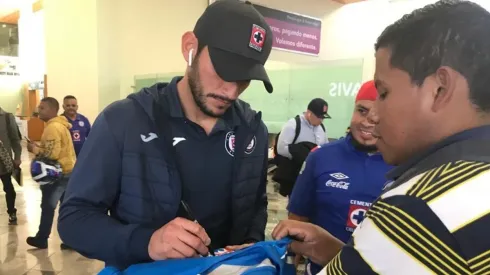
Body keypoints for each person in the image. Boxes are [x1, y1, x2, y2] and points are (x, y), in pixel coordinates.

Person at [272, 1, 490, 274]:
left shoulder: (418, 207)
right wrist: (342, 254)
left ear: (439, 89)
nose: (375, 117)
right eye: (364, 108)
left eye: (384, 93)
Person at [58, 0, 273, 270]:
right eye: (224, 70)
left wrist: (250, 244)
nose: (231, 91)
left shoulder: (252, 131)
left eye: (244, 79)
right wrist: (147, 241)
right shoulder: (124, 121)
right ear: (189, 47)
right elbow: (73, 218)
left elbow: (255, 207)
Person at [287, 81, 393, 275]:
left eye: (378, 115)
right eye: (362, 111)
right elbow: (297, 221)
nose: (368, 121)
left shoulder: (407, 165)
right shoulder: (320, 157)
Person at [26, 97, 76, 249]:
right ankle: (70, 240)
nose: (38, 111)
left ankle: (42, 238)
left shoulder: (52, 127)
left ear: (53, 110)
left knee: (48, 207)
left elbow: (51, 154)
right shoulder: (61, 126)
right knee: (66, 208)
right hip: (68, 172)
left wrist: (34, 149)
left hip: (56, 176)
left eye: (42, 108)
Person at [273, 98, 331, 197]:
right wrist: (300, 155)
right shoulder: (293, 125)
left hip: (314, 176)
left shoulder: (321, 128)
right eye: (319, 117)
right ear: (309, 113)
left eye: (323, 118)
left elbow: (325, 148)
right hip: (295, 176)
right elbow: (281, 149)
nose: (321, 120)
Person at [0, 106, 21, 224]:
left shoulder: (7, 117)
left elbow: (15, 139)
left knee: (8, 188)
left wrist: (17, 157)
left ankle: (12, 212)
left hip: (4, 161)